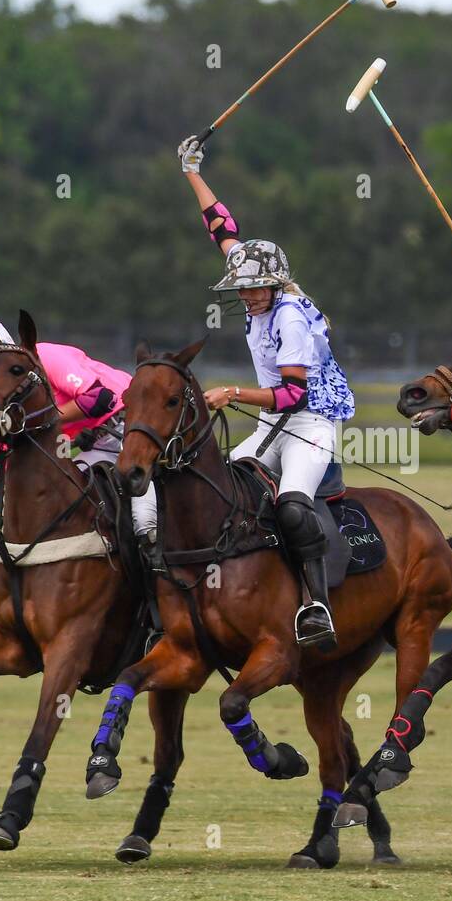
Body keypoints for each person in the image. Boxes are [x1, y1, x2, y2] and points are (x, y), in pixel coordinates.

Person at [163, 133, 356, 649]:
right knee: (222, 487)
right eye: (240, 288)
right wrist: (192, 172)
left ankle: (316, 605)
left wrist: (231, 393)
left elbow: (294, 395)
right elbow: (224, 231)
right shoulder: (261, 288)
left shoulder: (289, 317)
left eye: (251, 289)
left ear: (273, 284)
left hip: (311, 423)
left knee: (292, 503)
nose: (244, 295)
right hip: (275, 424)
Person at [0, 315, 143, 607]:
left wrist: (31, 420)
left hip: (130, 428)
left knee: (141, 517)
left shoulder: (44, 357)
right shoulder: (3, 420)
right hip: (85, 452)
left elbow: (100, 397)